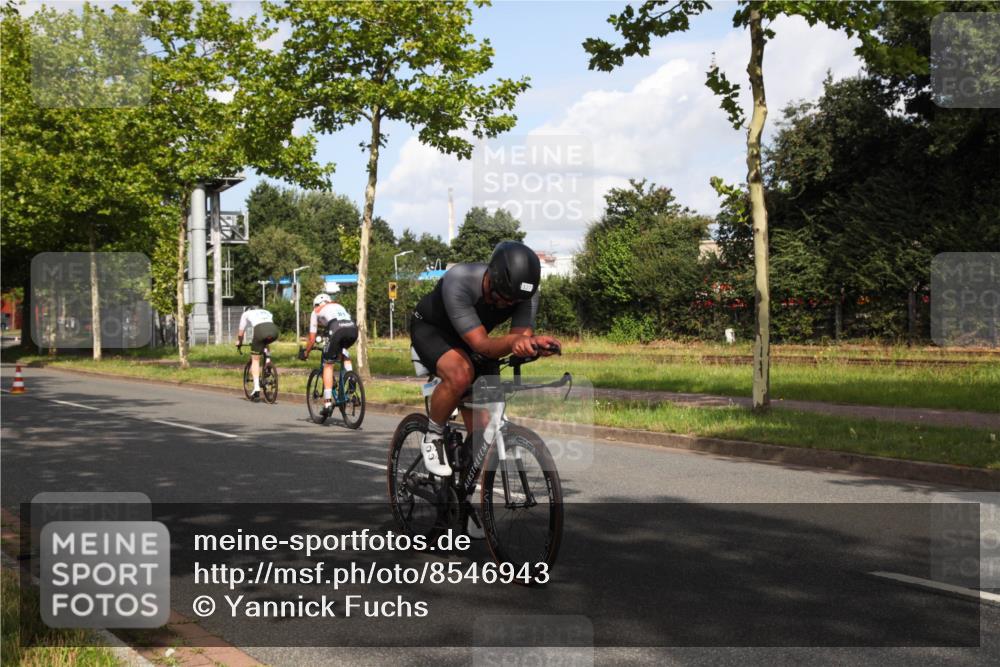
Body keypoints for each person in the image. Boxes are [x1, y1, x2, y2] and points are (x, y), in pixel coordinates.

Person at [410, 240, 561, 476]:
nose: (509, 304)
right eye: (504, 297)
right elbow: (482, 345)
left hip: (473, 339)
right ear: (491, 278)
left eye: (515, 301)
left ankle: (460, 495)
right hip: (433, 330)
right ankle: (433, 435)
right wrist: (514, 342)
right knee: (460, 374)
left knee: (483, 433)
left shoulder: (526, 294)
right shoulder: (459, 280)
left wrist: (532, 345)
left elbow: (517, 339)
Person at [299, 285, 358, 414]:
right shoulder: (338, 305)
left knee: (328, 364)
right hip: (352, 329)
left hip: (336, 328)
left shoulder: (316, 311)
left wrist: (306, 352)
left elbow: (312, 339)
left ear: (316, 304)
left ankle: (327, 404)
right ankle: (351, 377)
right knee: (343, 352)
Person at [236, 306, 279, 400]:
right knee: (265, 342)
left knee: (255, 359)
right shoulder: (266, 311)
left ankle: (256, 388)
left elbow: (241, 333)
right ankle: (268, 361)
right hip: (274, 331)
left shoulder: (245, 314)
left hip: (260, 331)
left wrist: (239, 343)